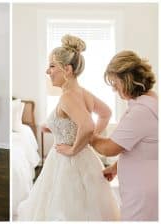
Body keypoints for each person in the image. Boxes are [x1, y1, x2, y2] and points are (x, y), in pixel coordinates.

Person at [17, 34, 119, 221]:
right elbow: (105, 113)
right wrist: (68, 133)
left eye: (52, 65)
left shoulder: (68, 96)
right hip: (87, 158)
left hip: (67, 162)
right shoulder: (83, 93)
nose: (48, 71)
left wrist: (73, 148)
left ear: (68, 69)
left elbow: (86, 125)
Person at [89, 50, 158, 221]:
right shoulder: (151, 101)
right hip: (147, 183)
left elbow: (109, 148)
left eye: (115, 82)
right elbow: (142, 149)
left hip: (142, 190)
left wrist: (90, 136)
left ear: (127, 79)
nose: (114, 88)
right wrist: (116, 168)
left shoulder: (141, 111)